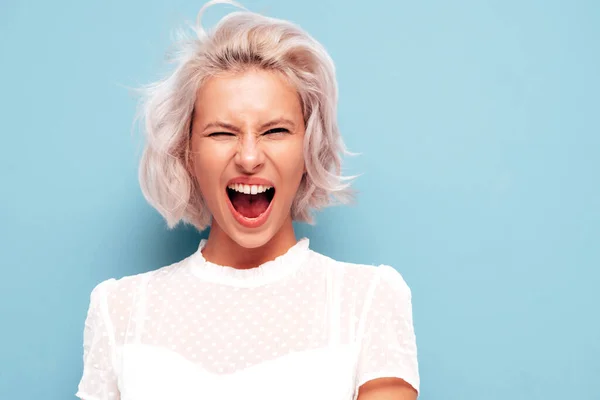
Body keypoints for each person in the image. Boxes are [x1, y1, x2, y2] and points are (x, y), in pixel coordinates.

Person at [76, 1, 420, 399]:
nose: (250, 157)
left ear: (308, 148)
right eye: (222, 133)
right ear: (186, 153)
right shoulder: (119, 309)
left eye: (275, 131)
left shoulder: (368, 300)